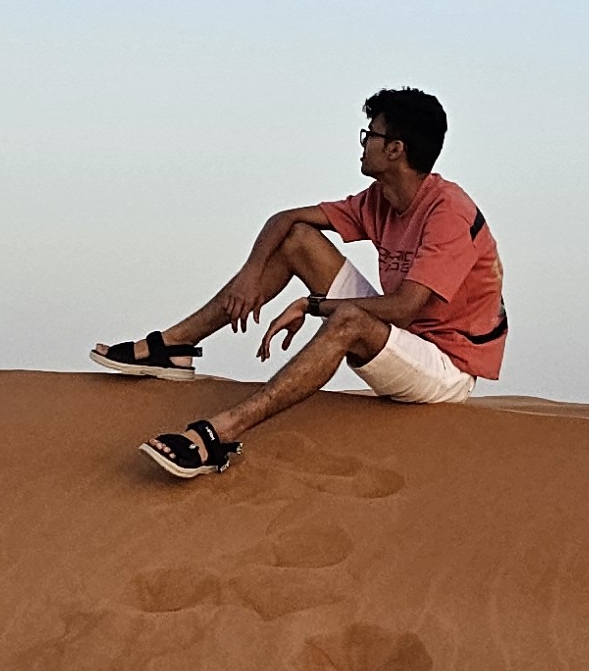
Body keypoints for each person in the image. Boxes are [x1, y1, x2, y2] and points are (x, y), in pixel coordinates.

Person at [91, 88, 507, 482]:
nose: (363, 143)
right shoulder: (380, 198)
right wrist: (252, 274)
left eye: (371, 135)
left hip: (447, 365)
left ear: (395, 149)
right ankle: (175, 347)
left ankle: (222, 432)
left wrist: (311, 305)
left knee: (348, 319)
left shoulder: (449, 213)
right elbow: (286, 219)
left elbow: (405, 307)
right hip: (402, 335)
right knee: (299, 242)